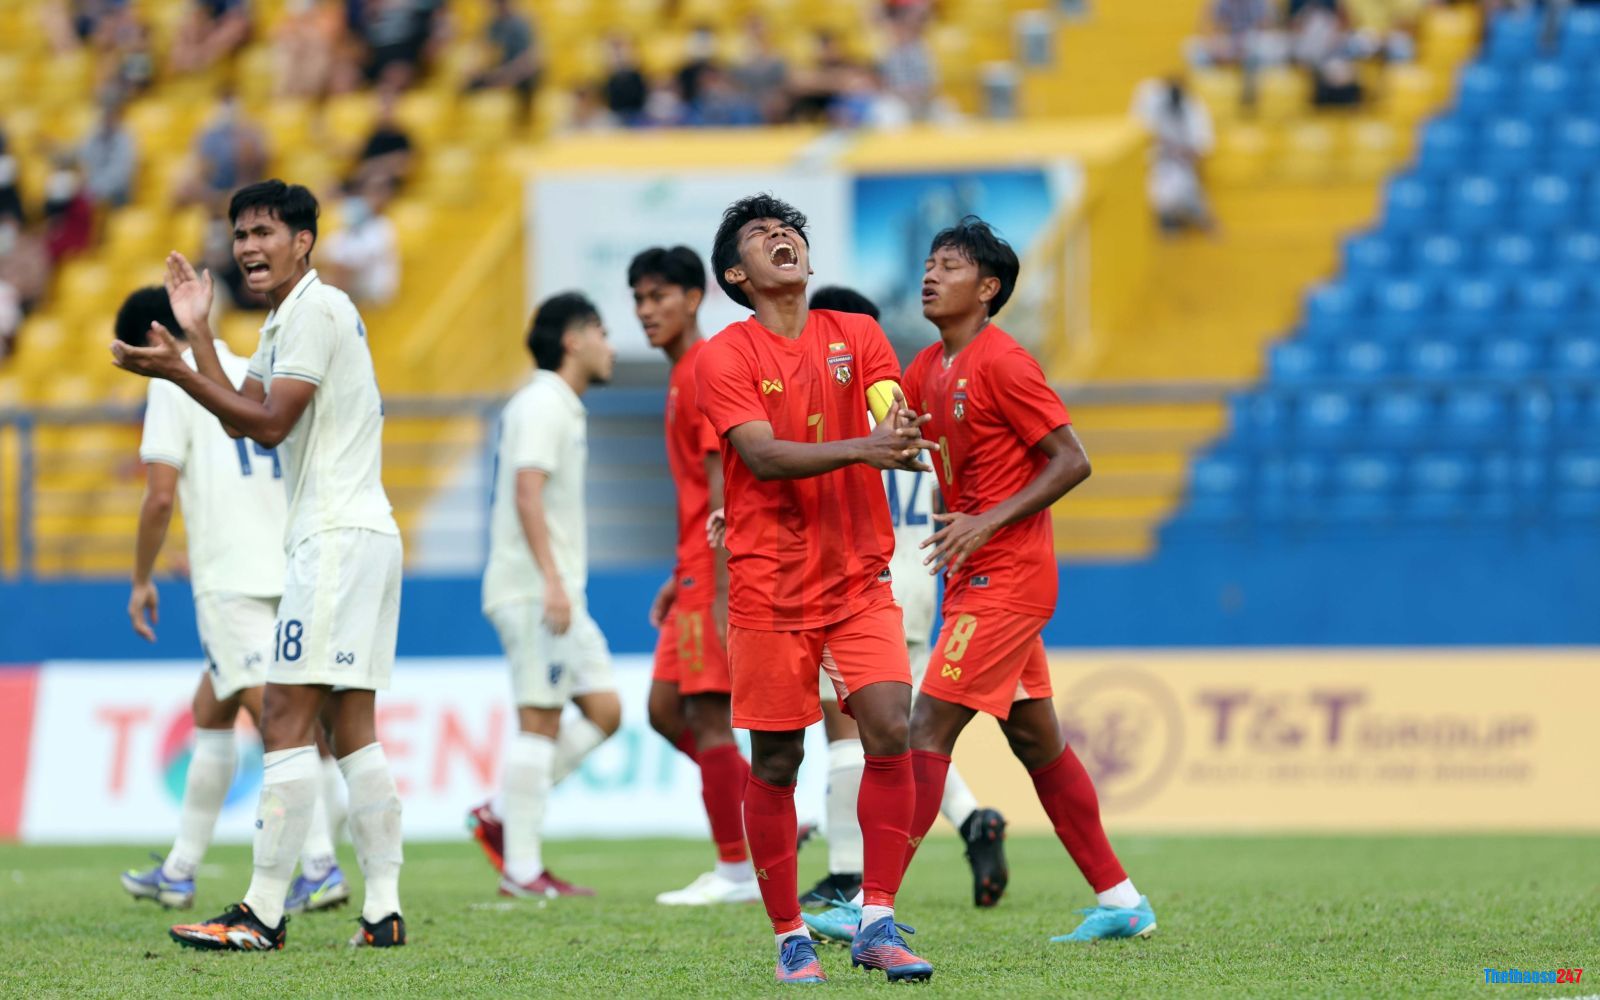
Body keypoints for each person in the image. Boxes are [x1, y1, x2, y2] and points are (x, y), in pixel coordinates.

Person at [110, 180, 407, 951]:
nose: (247, 246)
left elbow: (268, 427)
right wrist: (201, 338)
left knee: (282, 718)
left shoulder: (314, 309)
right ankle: (383, 911)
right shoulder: (292, 316)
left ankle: (264, 913)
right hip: (359, 530)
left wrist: (176, 371)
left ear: (303, 240)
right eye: (240, 233)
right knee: (353, 729)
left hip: (334, 535)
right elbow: (243, 400)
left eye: (264, 231)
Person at [694, 193, 936, 985]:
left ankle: (876, 918)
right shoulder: (725, 356)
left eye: (788, 229)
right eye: (762, 236)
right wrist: (870, 447)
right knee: (774, 763)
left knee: (889, 727)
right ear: (738, 274)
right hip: (769, 586)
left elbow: (883, 400)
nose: (782, 238)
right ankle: (790, 934)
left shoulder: (856, 333)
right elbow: (761, 458)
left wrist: (895, 421)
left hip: (858, 576)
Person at [897, 217, 1156, 943]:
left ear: (987, 289)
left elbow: (1072, 459)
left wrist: (985, 521)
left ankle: (868, 898)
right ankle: (1121, 899)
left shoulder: (1006, 362)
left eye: (948, 265)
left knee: (926, 727)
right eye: (928, 262)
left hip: (1008, 579)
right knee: (1037, 741)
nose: (929, 274)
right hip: (973, 577)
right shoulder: (926, 368)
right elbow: (914, 454)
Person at [113, 285, 350, 919]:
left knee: (278, 722)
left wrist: (140, 580)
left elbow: (159, 496)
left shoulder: (171, 382)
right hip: (287, 566)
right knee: (212, 710)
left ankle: (321, 865)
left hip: (233, 580)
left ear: (147, 342)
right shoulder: (246, 370)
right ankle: (180, 870)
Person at [796, 286, 1008, 930]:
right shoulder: (911, 404)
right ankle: (974, 818)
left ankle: (845, 873)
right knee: (900, 732)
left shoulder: (833, 412)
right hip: (922, 581)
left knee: (848, 734)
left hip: (864, 584)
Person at [466, 292, 622, 899]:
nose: (611, 347)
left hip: (554, 590)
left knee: (606, 710)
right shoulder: (540, 403)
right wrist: (553, 582)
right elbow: (526, 493)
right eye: (603, 332)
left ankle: (503, 812)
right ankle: (522, 871)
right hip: (535, 590)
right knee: (541, 718)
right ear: (574, 340)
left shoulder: (559, 406)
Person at [629, 246, 756, 907]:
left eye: (659, 297)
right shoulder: (682, 372)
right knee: (661, 712)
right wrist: (681, 574)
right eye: (640, 300)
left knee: (709, 716)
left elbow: (721, 486)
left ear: (694, 297)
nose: (648, 311)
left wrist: (720, 586)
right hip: (691, 569)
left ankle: (738, 868)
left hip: (712, 569)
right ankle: (763, 818)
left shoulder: (705, 368)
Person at [79, 97, 139, 209]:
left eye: (110, 115)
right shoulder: (95, 133)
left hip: (118, 192)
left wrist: (97, 189)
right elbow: (81, 153)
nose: (106, 118)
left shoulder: (126, 138)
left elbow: (121, 173)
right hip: (94, 188)